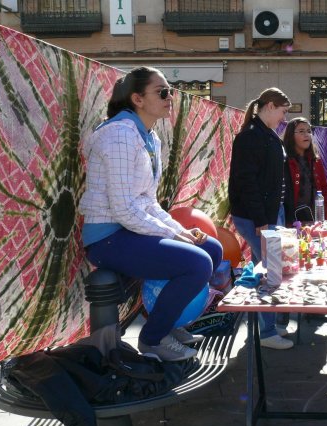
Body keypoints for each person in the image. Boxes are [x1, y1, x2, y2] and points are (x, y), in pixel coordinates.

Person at [79, 66, 224, 361]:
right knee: (197, 263)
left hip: (129, 230)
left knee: (213, 248)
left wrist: (181, 231)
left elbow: (147, 202)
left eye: (169, 91)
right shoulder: (119, 135)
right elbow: (123, 208)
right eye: (163, 92)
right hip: (107, 239)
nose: (170, 97)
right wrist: (176, 234)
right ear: (137, 99)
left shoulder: (149, 137)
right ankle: (153, 339)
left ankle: (170, 323)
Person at [228, 87, 294, 350]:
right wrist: (261, 219)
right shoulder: (251, 137)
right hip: (257, 216)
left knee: (264, 267)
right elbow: (247, 182)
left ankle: (266, 327)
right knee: (270, 269)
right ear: (269, 106)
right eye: (282, 111)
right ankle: (266, 332)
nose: (283, 117)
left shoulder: (265, 135)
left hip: (264, 214)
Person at [283, 117, 327, 226]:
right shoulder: (285, 161)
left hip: (315, 218)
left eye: (309, 131)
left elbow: (324, 188)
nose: (307, 135)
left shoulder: (315, 160)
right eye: (301, 131)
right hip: (292, 220)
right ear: (291, 135)